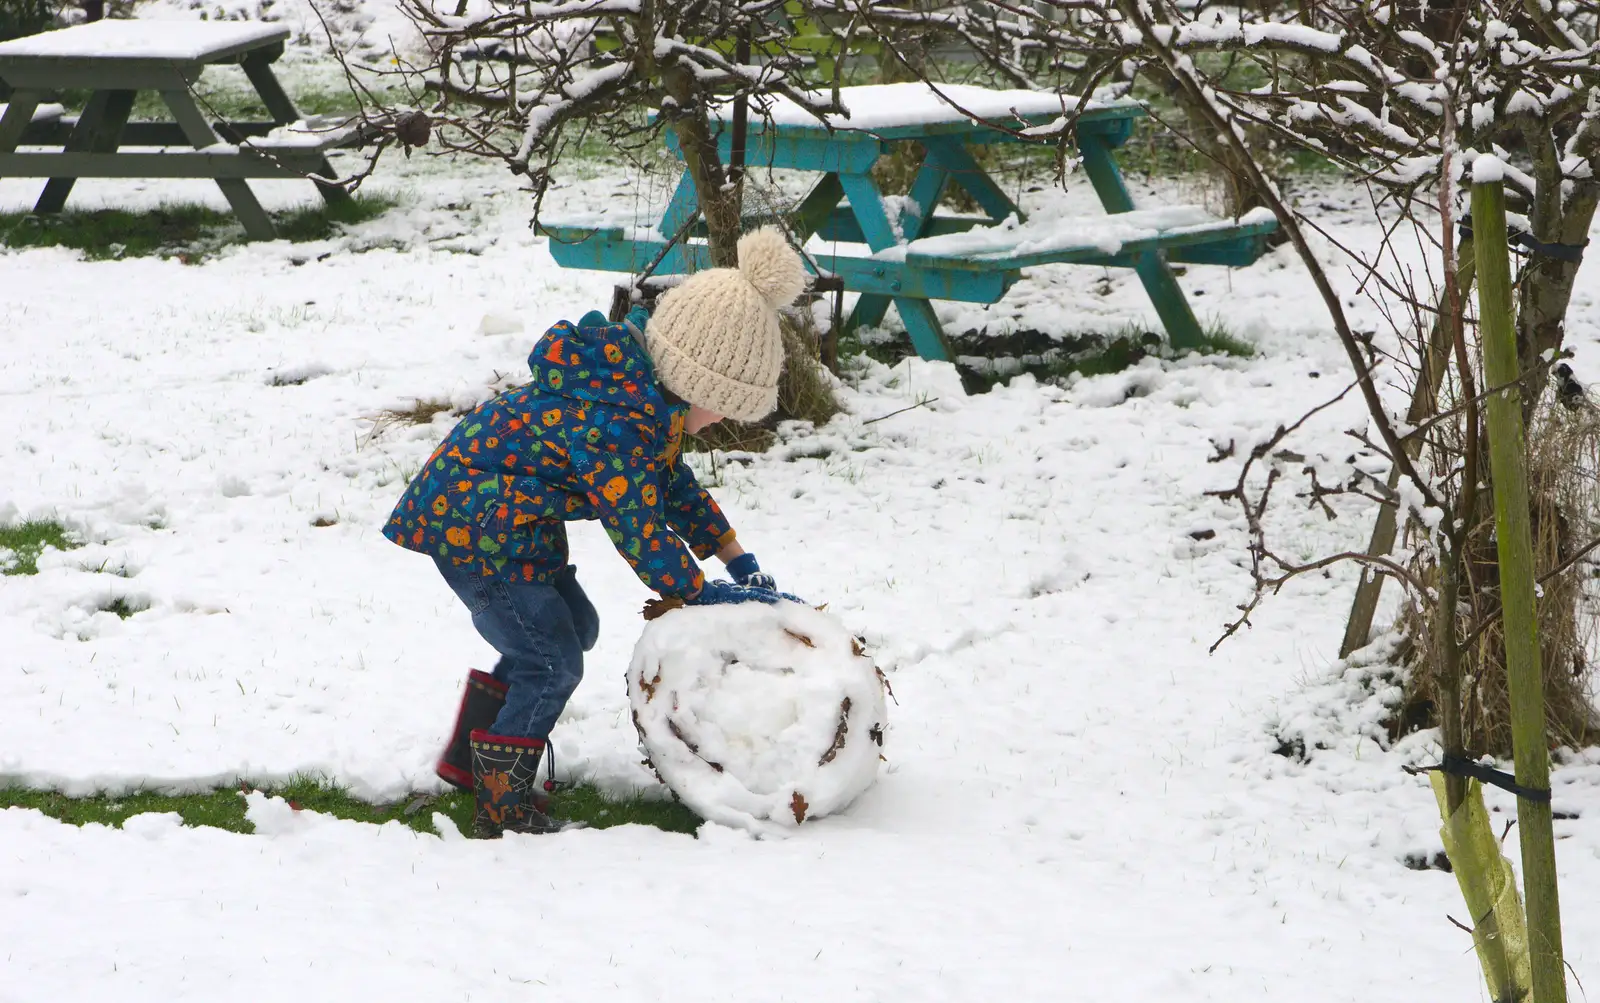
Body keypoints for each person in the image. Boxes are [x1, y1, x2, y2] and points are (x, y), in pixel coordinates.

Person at [384, 227, 809, 837]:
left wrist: (733, 555)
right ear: (695, 382)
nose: (718, 422)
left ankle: (470, 757)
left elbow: (671, 486)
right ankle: (500, 805)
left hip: (513, 527)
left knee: (572, 629)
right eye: (721, 406)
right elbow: (635, 522)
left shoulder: (637, 402)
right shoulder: (616, 420)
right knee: (552, 659)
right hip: (474, 531)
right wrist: (695, 590)